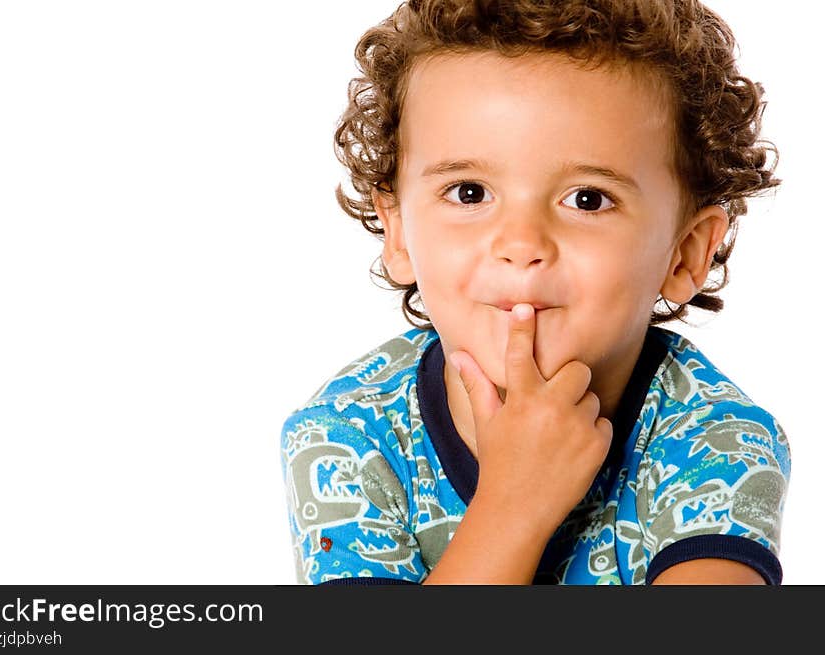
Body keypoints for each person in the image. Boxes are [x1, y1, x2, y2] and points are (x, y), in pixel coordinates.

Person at [280, 0, 790, 585]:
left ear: (685, 253)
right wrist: (512, 509)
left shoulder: (716, 437)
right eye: (469, 193)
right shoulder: (346, 434)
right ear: (397, 234)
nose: (521, 243)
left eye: (588, 199)